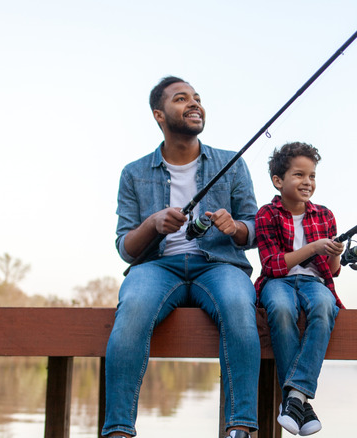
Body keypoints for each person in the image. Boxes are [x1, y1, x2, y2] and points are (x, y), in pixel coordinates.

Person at [103, 76, 260, 438]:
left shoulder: (232, 164)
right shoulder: (134, 173)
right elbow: (125, 247)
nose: (194, 104)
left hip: (220, 266)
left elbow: (253, 230)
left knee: (239, 303)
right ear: (159, 115)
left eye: (198, 98)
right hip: (157, 267)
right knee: (134, 306)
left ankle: (241, 428)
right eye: (181, 98)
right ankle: (118, 430)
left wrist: (233, 227)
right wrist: (153, 223)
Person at [254, 142, 345, 436]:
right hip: (277, 282)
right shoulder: (266, 214)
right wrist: (314, 247)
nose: (307, 182)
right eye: (299, 175)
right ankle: (301, 403)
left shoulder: (325, 215)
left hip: (314, 283)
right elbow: (272, 266)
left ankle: (293, 398)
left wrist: (335, 252)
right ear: (278, 181)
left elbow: (330, 272)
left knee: (324, 306)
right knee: (280, 309)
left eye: (312, 176)